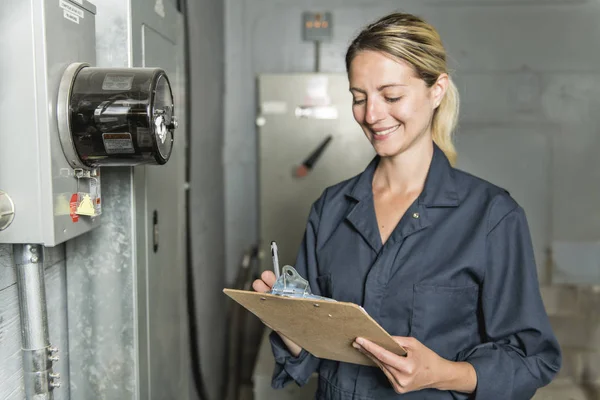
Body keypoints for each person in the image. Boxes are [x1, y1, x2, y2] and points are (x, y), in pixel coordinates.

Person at [252, 12, 561, 399]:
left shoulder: (491, 217)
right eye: (359, 98)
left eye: (391, 96)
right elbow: (312, 354)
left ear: (437, 91)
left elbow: (532, 361)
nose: (372, 115)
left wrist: (443, 373)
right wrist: (290, 325)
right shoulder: (330, 209)